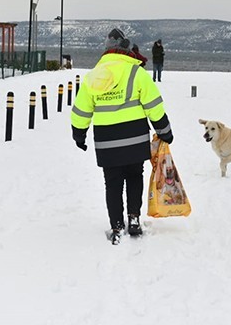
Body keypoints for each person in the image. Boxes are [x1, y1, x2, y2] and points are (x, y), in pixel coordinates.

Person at [71, 28, 174, 244]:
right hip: (135, 138)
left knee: (113, 183)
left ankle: (116, 226)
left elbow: (81, 111)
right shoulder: (137, 73)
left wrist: (79, 135)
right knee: (135, 177)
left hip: (106, 141)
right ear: (126, 50)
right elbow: (154, 106)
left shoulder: (93, 76)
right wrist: (165, 131)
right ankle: (134, 219)